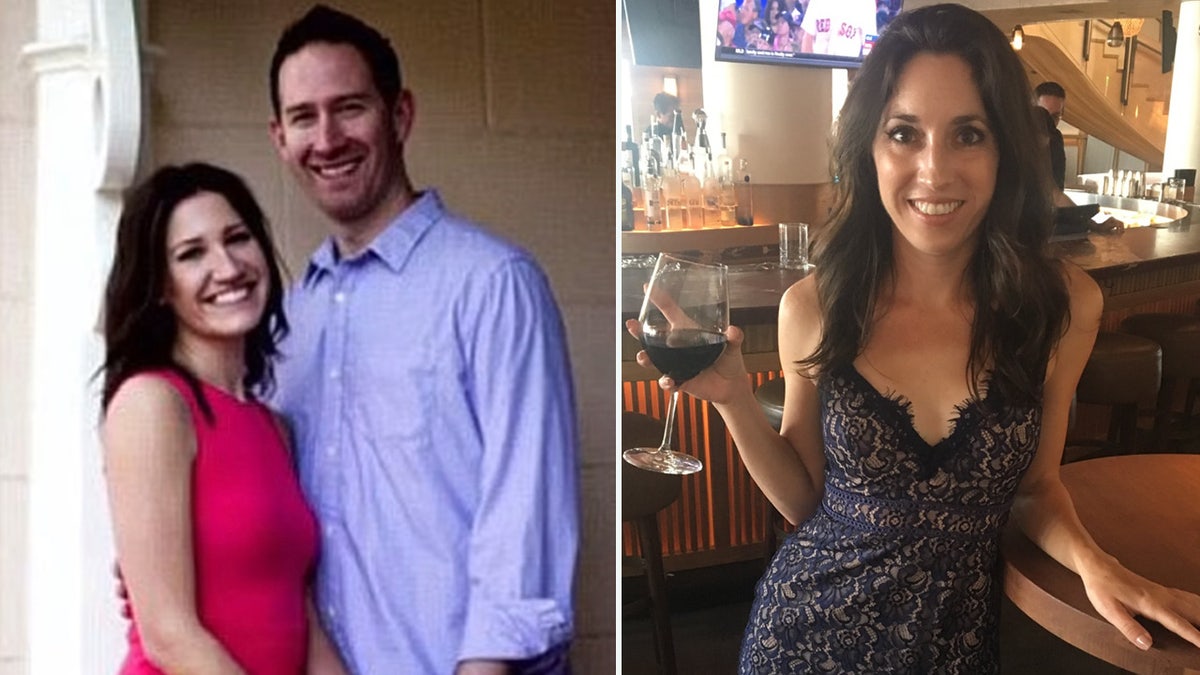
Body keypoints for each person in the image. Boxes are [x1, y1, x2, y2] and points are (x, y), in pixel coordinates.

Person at [629, 4, 1200, 672]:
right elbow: (806, 500)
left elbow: (1036, 487)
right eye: (904, 133)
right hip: (808, 634)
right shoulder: (815, 306)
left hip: (952, 645)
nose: (934, 171)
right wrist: (733, 400)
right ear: (870, 148)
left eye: (968, 134)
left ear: (1006, 150)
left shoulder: (1064, 306)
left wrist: (1101, 568)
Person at [266, 5, 579, 673]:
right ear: (279, 139)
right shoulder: (291, 318)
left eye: (349, 108)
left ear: (399, 115)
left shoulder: (493, 283)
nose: (327, 138)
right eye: (303, 117)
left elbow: (524, 526)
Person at [100, 162, 347, 673]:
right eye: (192, 254)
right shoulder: (152, 404)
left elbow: (298, 613)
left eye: (238, 238)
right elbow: (169, 633)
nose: (228, 266)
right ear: (161, 286)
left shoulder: (276, 428)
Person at [797, 0, 877, 57]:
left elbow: (870, 42)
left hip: (847, 69)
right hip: (819, 66)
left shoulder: (866, 3)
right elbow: (807, 37)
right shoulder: (817, 2)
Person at [1035, 81, 1069, 190]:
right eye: (1043, 114)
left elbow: (1057, 189)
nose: (1048, 122)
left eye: (1054, 117)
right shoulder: (1014, 136)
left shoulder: (1056, 140)